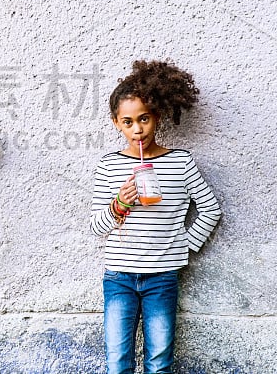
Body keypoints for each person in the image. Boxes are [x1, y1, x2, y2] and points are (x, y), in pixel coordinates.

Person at [90, 60, 222, 374]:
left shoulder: (180, 162)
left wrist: (184, 246)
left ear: (157, 117)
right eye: (128, 122)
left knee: (159, 363)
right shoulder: (109, 166)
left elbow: (210, 209)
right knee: (117, 362)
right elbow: (96, 225)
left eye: (144, 119)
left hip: (162, 278)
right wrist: (119, 203)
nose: (138, 129)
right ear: (116, 124)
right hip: (119, 278)